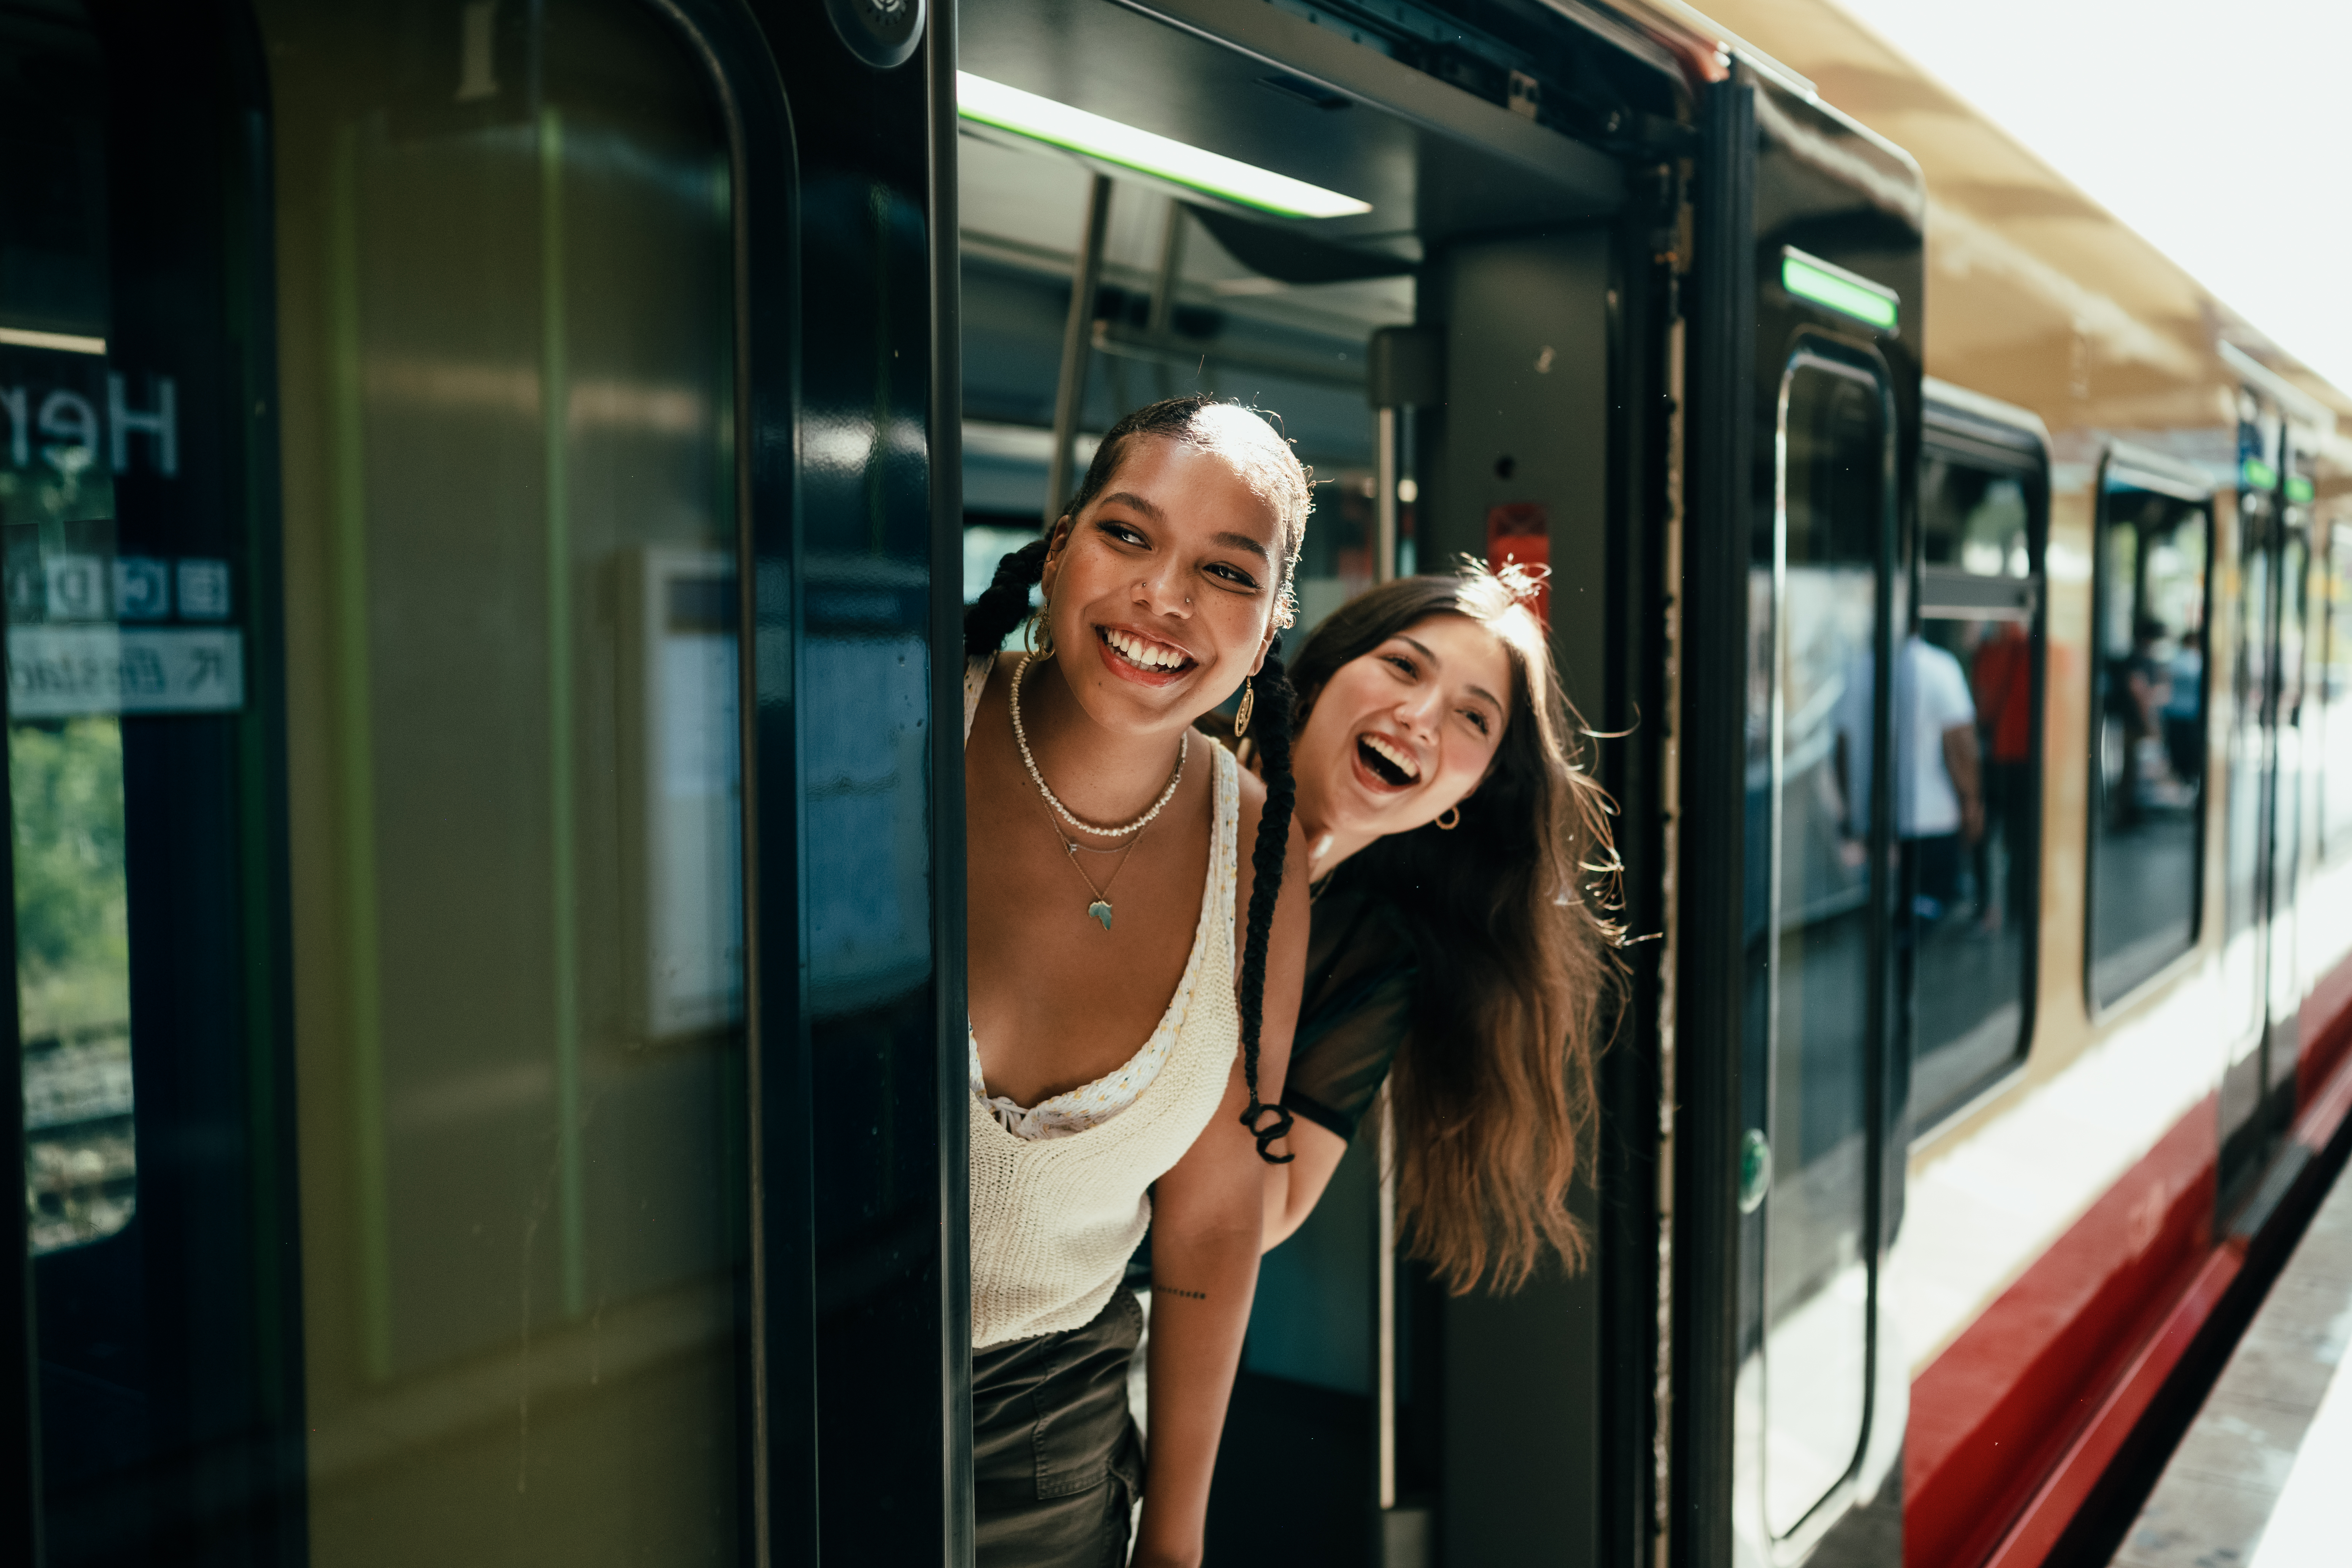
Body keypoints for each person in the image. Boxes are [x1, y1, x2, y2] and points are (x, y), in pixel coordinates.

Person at [958, 395, 1313, 1568]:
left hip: (1046, 1437)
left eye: (1225, 569)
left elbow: (1214, 1220)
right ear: (1058, 549)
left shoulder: (1264, 864)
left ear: (1266, 633)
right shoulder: (899, 717)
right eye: (1128, 533)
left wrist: (1173, 1536)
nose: (1164, 595)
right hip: (771, 1387)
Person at [1234, 563, 1622, 1291]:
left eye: (1472, 717)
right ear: (1320, 675)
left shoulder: (1373, 956)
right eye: (1402, 666)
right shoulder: (1176, 780)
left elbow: (1269, 1213)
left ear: (1468, 794)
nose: (1418, 717)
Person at [1899, 629, 1982, 923]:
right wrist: (1971, 800)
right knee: (1931, 912)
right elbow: (1961, 743)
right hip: (1933, 817)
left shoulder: (1863, 667)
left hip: (1883, 819)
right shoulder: (1939, 667)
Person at [1969, 618, 2033, 932]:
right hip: (2023, 756)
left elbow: (1981, 700)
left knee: (1985, 831)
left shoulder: (1988, 648)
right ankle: (2018, 907)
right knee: (2020, 835)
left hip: (1993, 754)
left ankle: (1986, 908)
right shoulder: (2032, 649)